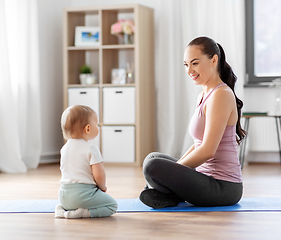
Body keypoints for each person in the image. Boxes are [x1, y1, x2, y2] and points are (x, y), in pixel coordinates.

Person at [139, 36, 246, 209]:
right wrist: (172, 171)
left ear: (214, 60)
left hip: (223, 187)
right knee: (152, 158)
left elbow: (207, 150)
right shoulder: (203, 94)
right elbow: (198, 144)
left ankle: (166, 192)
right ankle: (167, 192)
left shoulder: (221, 95)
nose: (189, 70)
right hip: (204, 176)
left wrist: (171, 174)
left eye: (195, 63)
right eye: (186, 64)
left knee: (153, 166)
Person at [55, 105, 118, 218]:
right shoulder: (91, 148)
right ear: (88, 128)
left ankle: (61, 208)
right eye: (97, 124)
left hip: (63, 195)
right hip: (82, 195)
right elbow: (99, 174)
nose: (98, 126)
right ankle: (84, 213)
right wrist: (102, 187)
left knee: (70, 202)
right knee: (112, 205)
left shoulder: (64, 149)